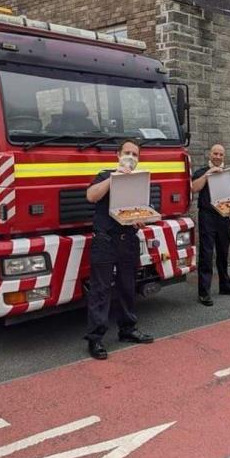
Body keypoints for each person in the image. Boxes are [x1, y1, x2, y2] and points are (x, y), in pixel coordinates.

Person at [84, 139, 154, 360]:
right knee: (100, 290)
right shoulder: (106, 175)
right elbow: (91, 196)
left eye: (135, 154)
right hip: (104, 240)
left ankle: (127, 329)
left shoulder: (138, 180)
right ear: (117, 155)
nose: (131, 158)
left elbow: (139, 209)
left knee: (127, 286)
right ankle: (95, 339)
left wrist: (141, 219)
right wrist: (115, 177)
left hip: (128, 239)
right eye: (127, 153)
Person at [191, 144, 230, 306]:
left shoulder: (227, 173)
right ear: (210, 154)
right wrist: (208, 174)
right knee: (206, 254)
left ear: (224, 156)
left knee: (223, 252)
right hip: (207, 216)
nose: (218, 157)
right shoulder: (202, 172)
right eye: (215, 153)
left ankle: (225, 285)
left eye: (221, 154)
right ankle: (204, 292)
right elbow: (194, 188)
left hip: (223, 216)